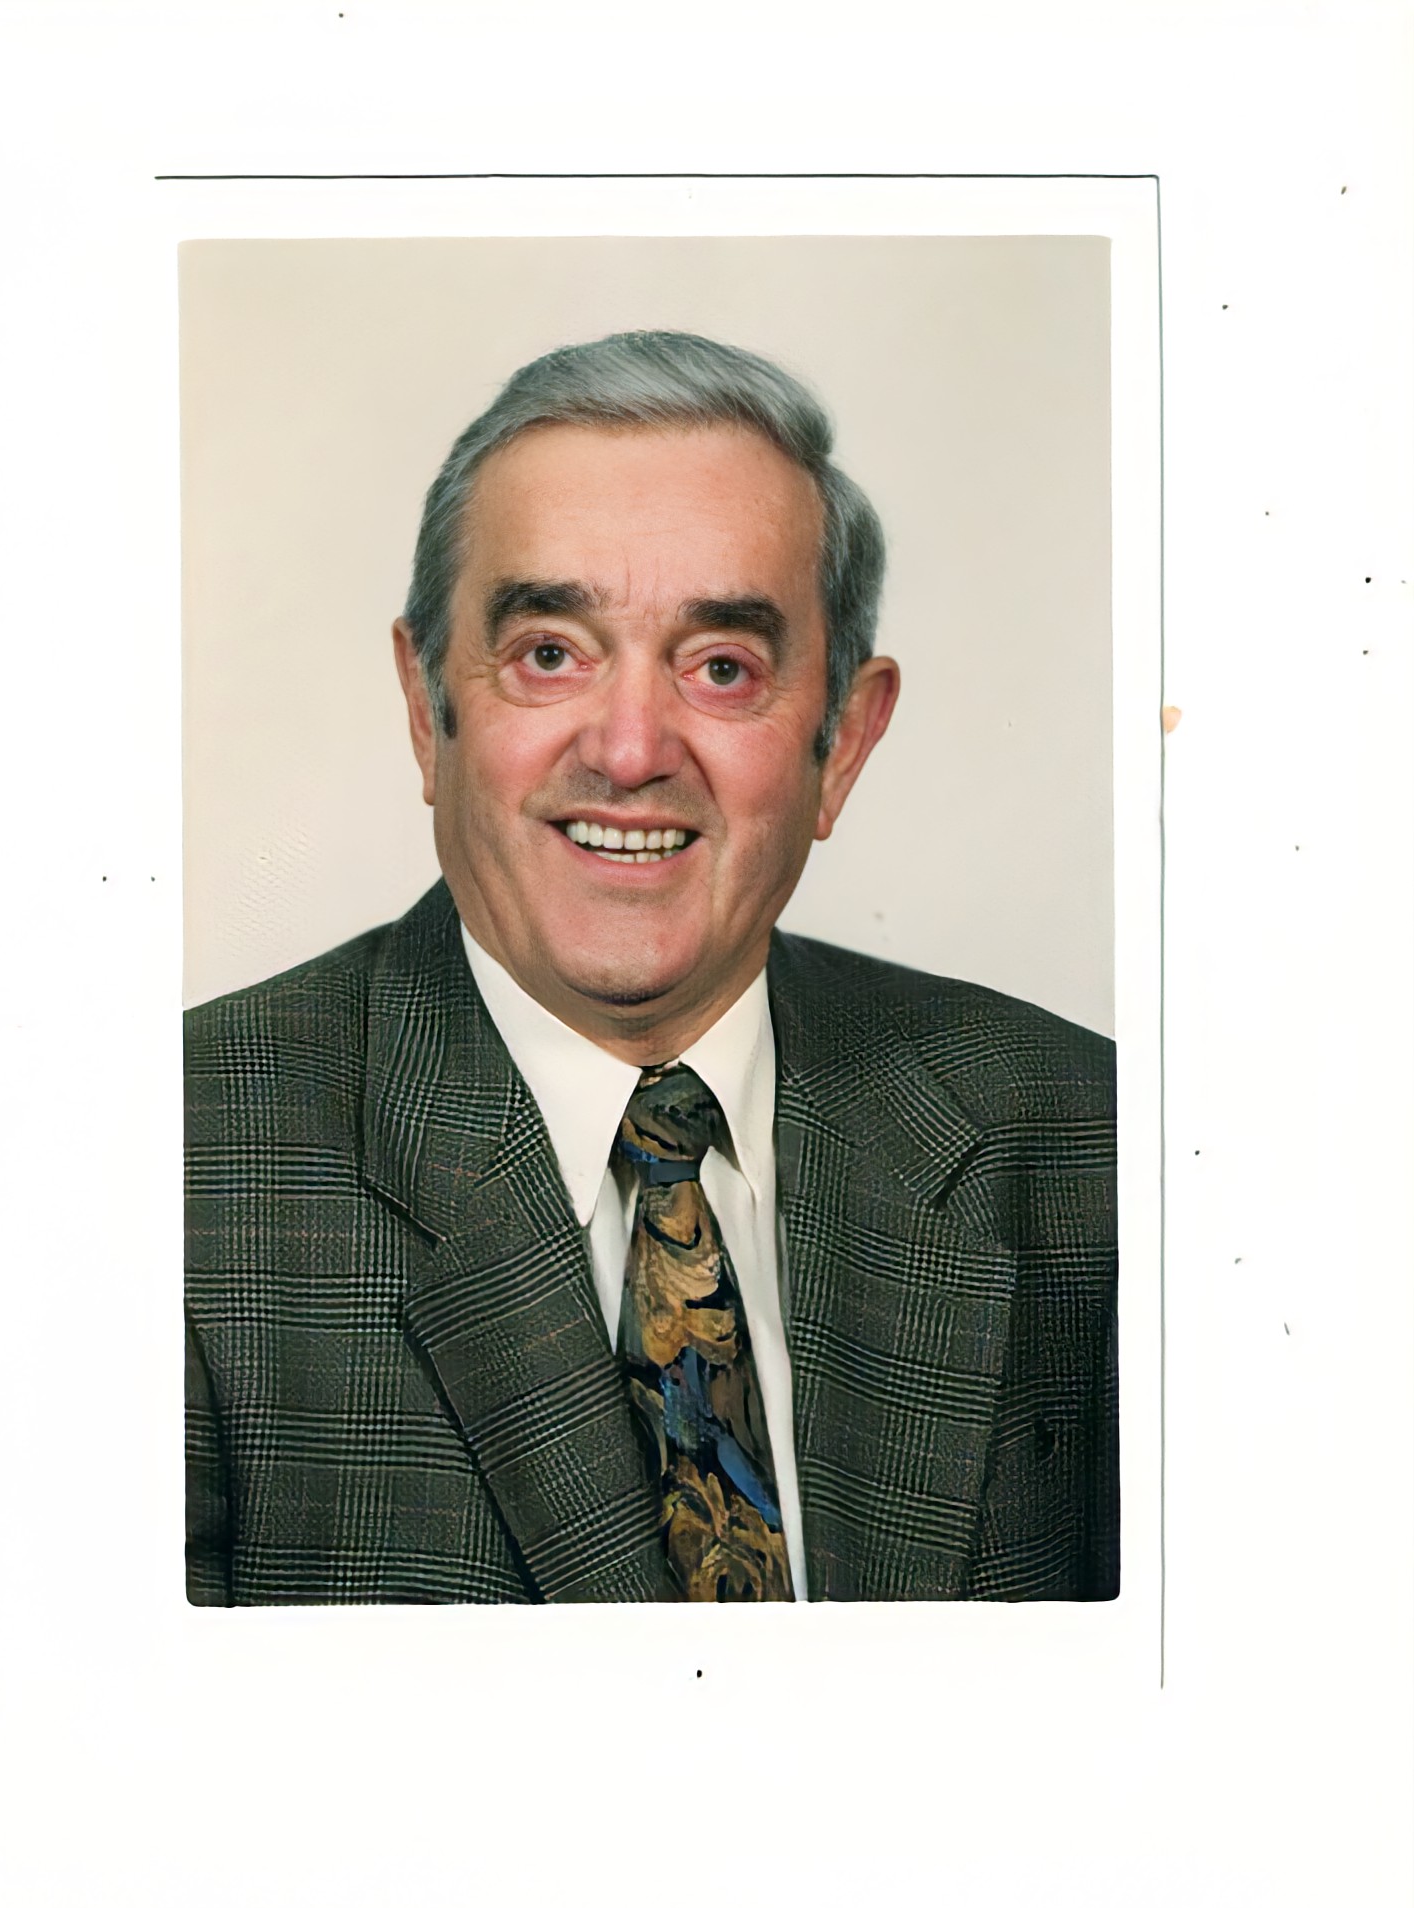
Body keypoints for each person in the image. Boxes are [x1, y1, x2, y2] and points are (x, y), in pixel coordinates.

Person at [185, 329, 1118, 1605]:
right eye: (550, 653)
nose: (629, 752)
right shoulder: (171, 1170)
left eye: (721, 668)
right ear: (426, 709)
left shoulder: (1094, 1142)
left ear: (843, 742)